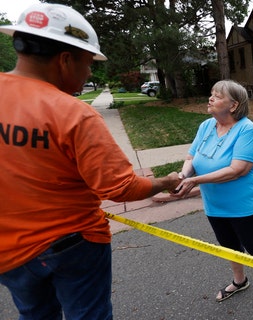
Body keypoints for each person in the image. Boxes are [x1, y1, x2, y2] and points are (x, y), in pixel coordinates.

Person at [0, 3, 181, 319]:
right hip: (72, 246)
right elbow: (121, 188)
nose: (89, 73)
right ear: (65, 59)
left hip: (9, 252)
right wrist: (165, 182)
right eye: (87, 64)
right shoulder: (72, 113)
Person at [172, 80, 253, 312]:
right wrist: (182, 176)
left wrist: (194, 181)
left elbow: (237, 170)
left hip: (244, 204)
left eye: (217, 96)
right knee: (228, 246)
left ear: (233, 105)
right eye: (211, 94)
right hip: (214, 204)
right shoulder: (206, 126)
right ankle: (240, 281)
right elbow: (191, 158)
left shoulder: (246, 129)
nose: (210, 98)